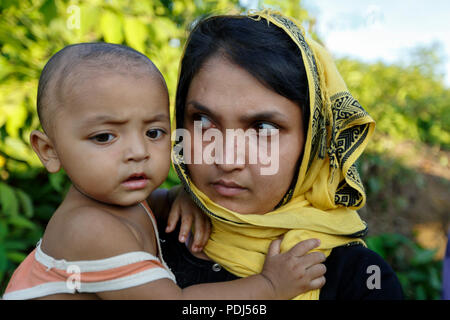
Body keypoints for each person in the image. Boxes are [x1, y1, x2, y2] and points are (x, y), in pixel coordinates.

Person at [2, 42, 326, 300]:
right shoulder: (88, 229)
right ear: (49, 150)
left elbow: (148, 207)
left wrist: (178, 196)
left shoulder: (118, 200)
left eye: (154, 132)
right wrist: (270, 286)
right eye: (104, 137)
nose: (138, 153)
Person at [150, 10, 404, 300]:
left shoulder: (360, 280)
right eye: (203, 121)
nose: (226, 160)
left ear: (312, 140)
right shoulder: (142, 234)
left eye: (263, 128)